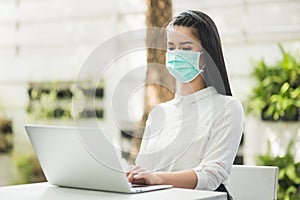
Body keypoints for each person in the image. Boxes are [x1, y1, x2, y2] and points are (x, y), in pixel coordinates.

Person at [126, 10, 244, 200]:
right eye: (171, 48)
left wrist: (156, 178)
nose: (176, 54)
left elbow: (212, 176)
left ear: (206, 56)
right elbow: (144, 170)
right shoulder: (159, 113)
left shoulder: (227, 108)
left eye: (186, 48)